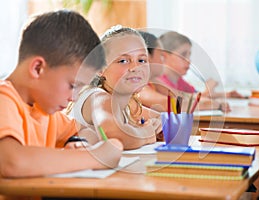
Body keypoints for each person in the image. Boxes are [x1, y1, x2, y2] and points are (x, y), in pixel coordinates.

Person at [0, 10, 123, 178]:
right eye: (73, 85)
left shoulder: (47, 113)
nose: (74, 97)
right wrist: (95, 157)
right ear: (37, 68)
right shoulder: (4, 100)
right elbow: (12, 162)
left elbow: (82, 131)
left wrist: (78, 143)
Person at [71, 25, 161, 150]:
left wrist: (156, 125)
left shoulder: (128, 103)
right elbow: (115, 136)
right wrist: (147, 134)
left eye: (142, 60)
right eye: (123, 61)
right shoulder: (97, 97)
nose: (136, 67)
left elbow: (161, 120)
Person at [138, 31, 231, 112]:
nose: (163, 60)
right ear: (146, 58)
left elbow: (185, 97)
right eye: (160, 55)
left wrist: (209, 102)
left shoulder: (155, 83)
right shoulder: (139, 88)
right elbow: (169, 104)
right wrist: (212, 104)